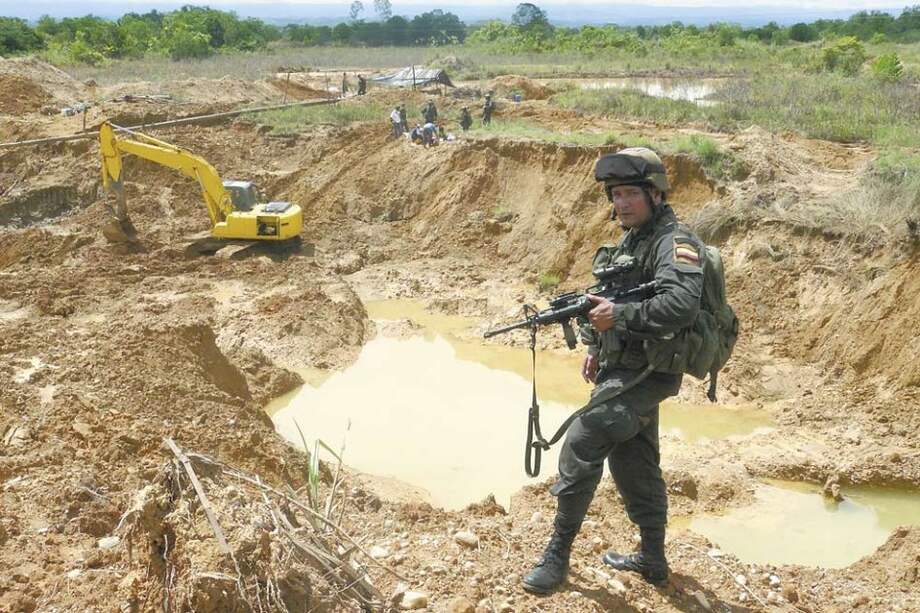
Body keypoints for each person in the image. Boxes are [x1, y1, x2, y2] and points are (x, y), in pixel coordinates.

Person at [522, 147, 706, 594]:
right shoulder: (633, 239)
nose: (621, 203)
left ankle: (557, 556)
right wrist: (594, 343)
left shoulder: (674, 243)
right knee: (633, 459)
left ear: (656, 194)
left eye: (631, 194)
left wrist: (618, 317)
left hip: (651, 370)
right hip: (622, 366)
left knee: (586, 436)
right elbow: (609, 295)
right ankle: (653, 558)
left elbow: (680, 305)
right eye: (616, 195)